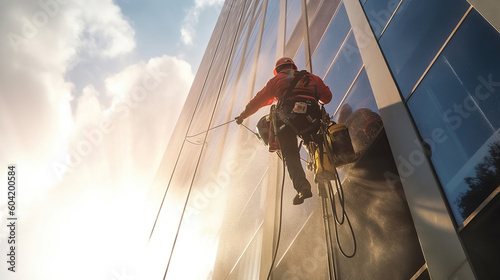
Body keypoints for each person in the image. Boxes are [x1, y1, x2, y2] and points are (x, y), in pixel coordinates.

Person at [235, 57, 332, 205]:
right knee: (315, 142)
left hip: (287, 120)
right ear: (293, 66)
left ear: (278, 70)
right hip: (312, 118)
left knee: (291, 154)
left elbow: (258, 101)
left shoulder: (276, 81)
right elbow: (327, 98)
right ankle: (322, 172)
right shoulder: (312, 78)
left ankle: (302, 186)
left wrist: (243, 116)